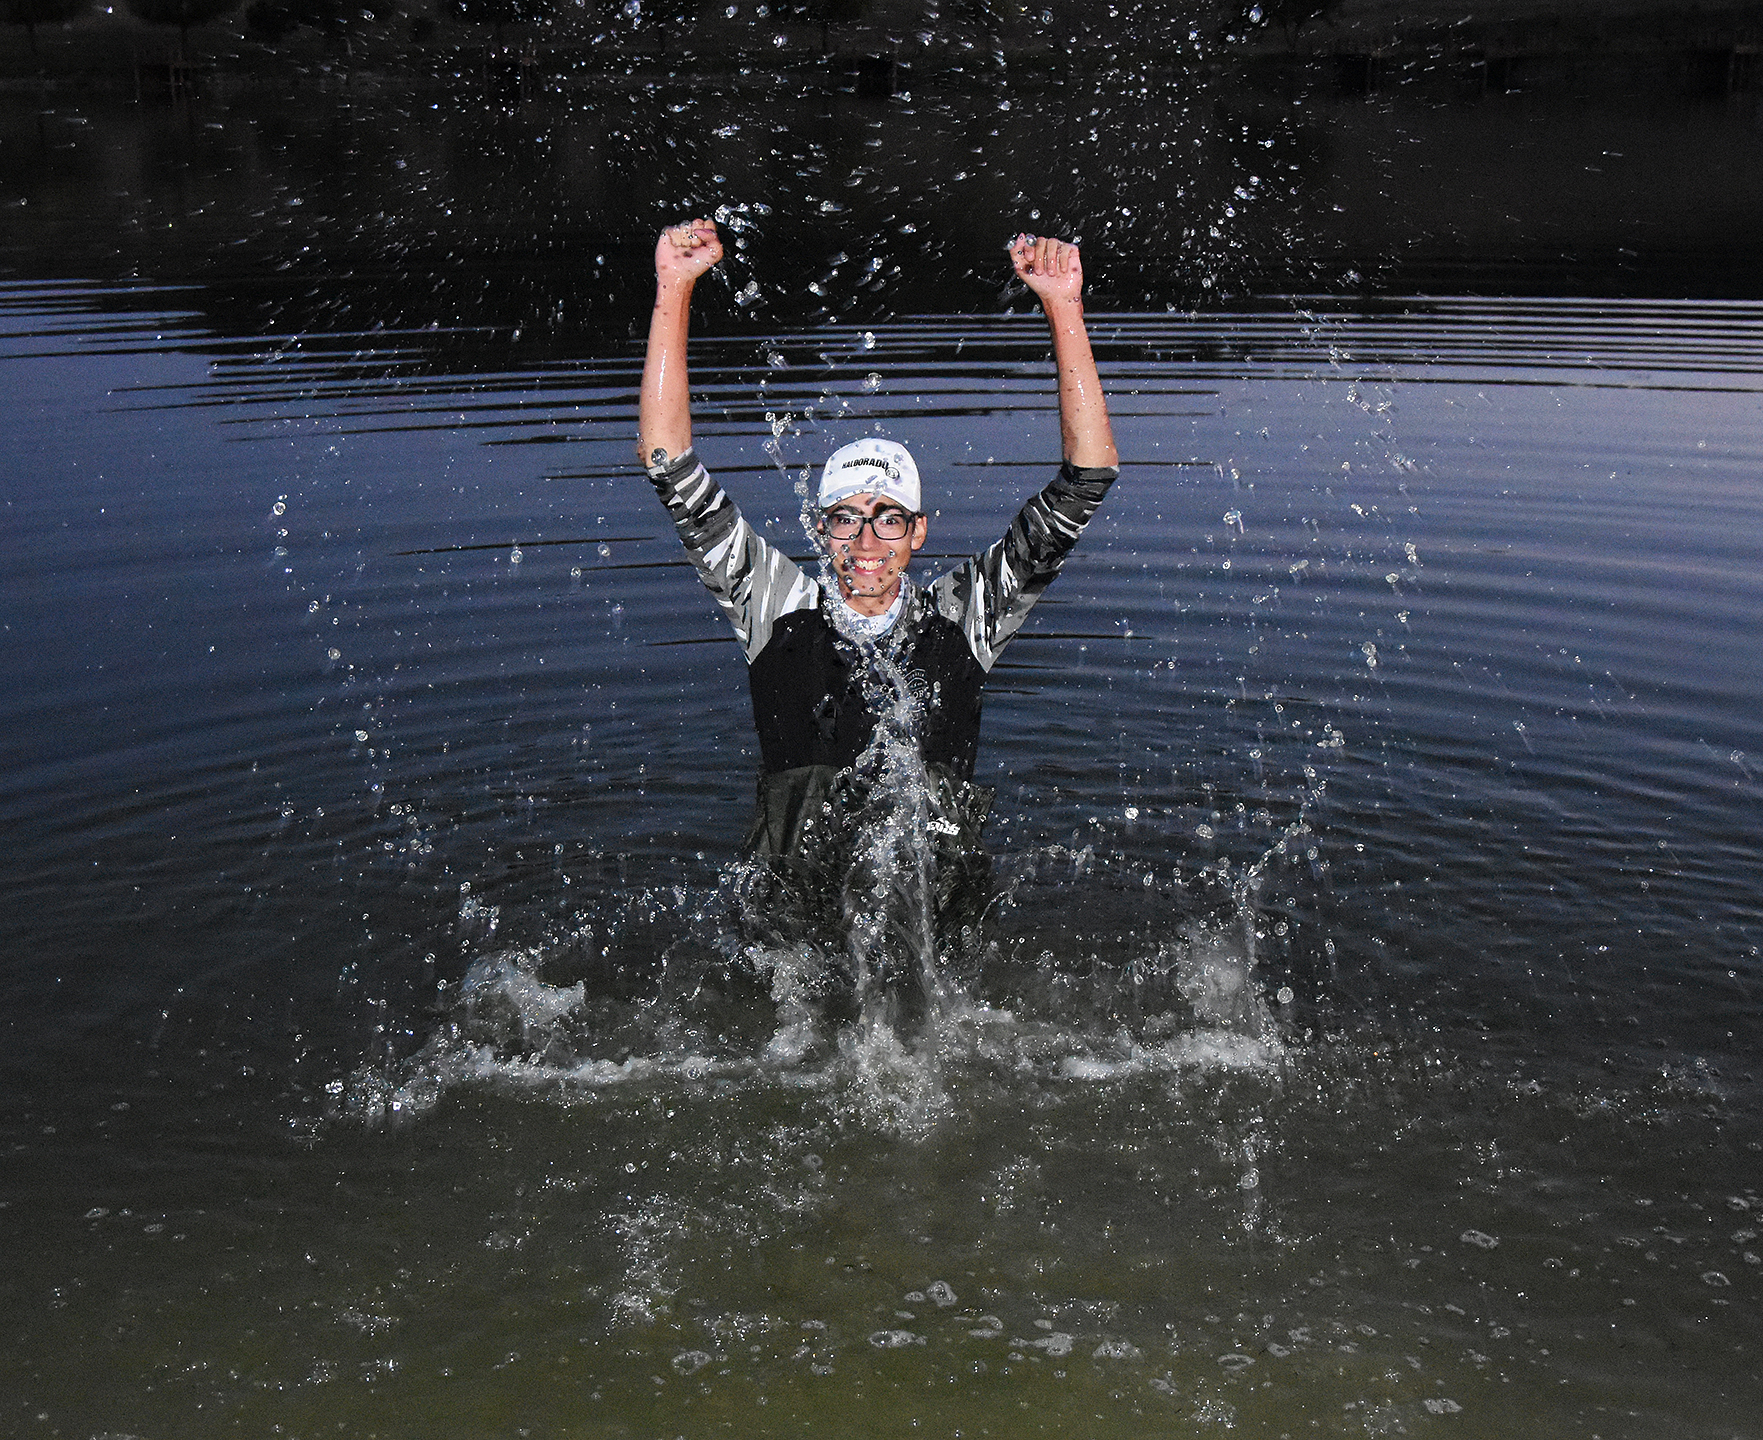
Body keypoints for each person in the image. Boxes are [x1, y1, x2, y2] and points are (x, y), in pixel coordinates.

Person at [636, 219, 1118, 997]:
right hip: (798, 915)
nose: (866, 541)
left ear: (918, 530)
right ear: (819, 529)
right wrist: (674, 290)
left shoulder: (964, 616)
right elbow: (669, 465)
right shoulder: (775, 604)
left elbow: (1086, 478)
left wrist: (1064, 307)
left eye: (888, 516)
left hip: (929, 906)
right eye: (844, 518)